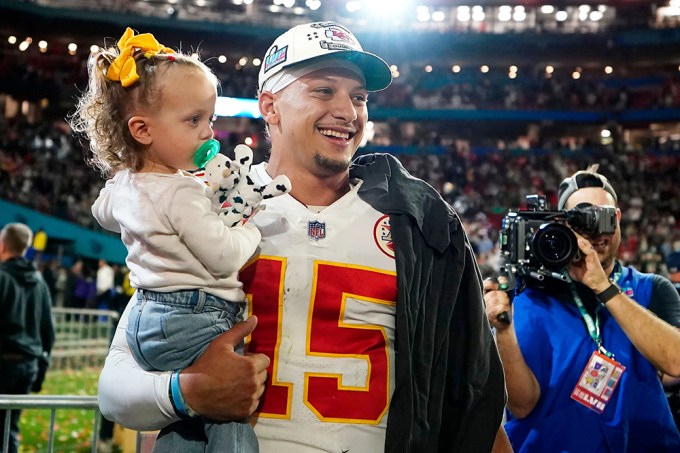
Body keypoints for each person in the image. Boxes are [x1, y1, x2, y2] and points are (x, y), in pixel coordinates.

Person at [97, 21, 509, 452]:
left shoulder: (416, 224)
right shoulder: (204, 204)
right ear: (270, 106)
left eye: (359, 97)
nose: (348, 112)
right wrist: (189, 393)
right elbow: (115, 390)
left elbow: (469, 393)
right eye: (323, 90)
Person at [69, 27, 289, 452]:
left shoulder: (127, 184)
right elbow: (223, 256)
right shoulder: (182, 192)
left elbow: (103, 214)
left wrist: (140, 208)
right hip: (195, 316)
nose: (208, 132)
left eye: (209, 119)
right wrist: (249, 228)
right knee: (229, 413)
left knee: (189, 428)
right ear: (143, 130)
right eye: (194, 121)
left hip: (146, 319)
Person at [484, 165, 680, 452]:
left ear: (619, 218)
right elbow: (522, 405)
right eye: (582, 219)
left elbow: (676, 362)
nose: (596, 230)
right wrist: (503, 331)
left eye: (605, 217)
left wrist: (604, 287)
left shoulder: (649, 289)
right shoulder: (529, 298)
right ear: (562, 224)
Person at [0, 223, 56, 453]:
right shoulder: (39, 282)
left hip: (4, 364)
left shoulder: (2, 277)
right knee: (8, 429)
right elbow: (48, 333)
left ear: (3, 245)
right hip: (27, 366)